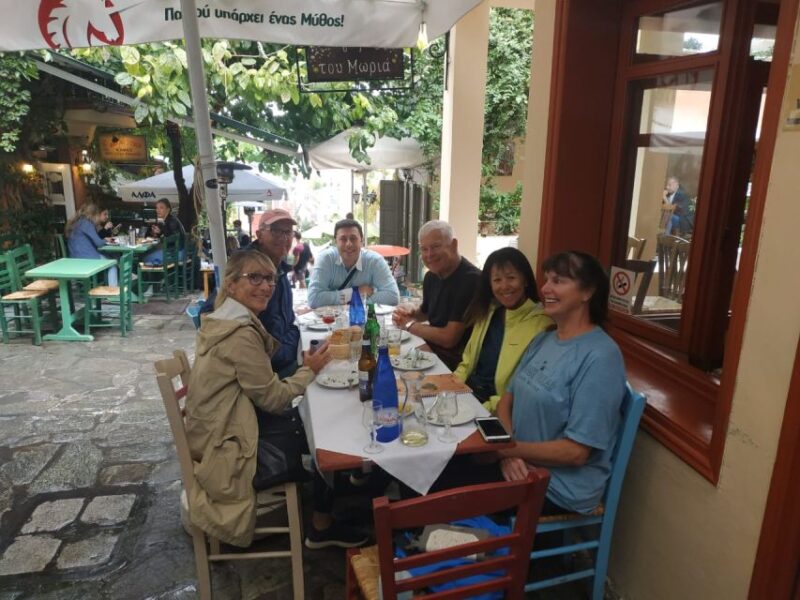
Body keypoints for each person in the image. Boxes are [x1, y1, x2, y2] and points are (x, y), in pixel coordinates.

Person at [185, 250, 366, 549]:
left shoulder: (223, 319)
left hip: (222, 428)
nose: (266, 285)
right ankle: (322, 524)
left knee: (314, 418)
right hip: (229, 450)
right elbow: (273, 399)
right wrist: (309, 370)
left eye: (270, 278)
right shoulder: (239, 333)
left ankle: (340, 487)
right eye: (254, 277)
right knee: (323, 432)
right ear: (230, 285)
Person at [431, 251, 626, 517]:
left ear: (588, 291)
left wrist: (506, 451)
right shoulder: (545, 339)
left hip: (555, 485)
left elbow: (576, 452)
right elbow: (507, 401)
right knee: (434, 466)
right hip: (516, 459)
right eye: (547, 280)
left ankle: (440, 551)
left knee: (438, 489)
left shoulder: (601, 357)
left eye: (558, 281)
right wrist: (508, 450)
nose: (545, 288)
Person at [198, 208, 302, 379]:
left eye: (288, 232)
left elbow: (288, 321)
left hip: (279, 359)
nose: (283, 237)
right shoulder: (245, 266)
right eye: (276, 231)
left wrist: (293, 339)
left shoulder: (279, 270)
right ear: (259, 235)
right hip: (255, 373)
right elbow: (210, 312)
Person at [453, 247, 552, 414]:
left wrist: (482, 409)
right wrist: (451, 386)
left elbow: (527, 389)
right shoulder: (488, 312)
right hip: (467, 394)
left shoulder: (543, 325)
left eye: (511, 278)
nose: (504, 286)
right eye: (497, 280)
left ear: (525, 280)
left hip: (496, 409)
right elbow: (467, 362)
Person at [392, 220, 481, 370]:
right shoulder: (431, 276)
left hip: (458, 365)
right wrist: (409, 311)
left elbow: (449, 338)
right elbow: (426, 313)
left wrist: (408, 324)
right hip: (433, 353)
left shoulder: (471, 280)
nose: (429, 255)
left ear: (453, 245)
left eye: (435, 247)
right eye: (424, 249)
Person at [308, 218, 399, 308]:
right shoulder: (325, 259)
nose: (349, 244)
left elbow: (392, 296)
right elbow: (314, 298)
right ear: (336, 242)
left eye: (353, 238)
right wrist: (355, 293)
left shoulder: (375, 261)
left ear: (361, 241)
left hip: (362, 320)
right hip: (331, 320)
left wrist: (357, 301)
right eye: (343, 239)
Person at [65, 203, 118, 286]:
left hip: (74, 259)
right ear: (94, 215)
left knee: (110, 256)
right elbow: (99, 243)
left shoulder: (76, 222)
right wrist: (105, 240)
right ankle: (113, 293)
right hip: (88, 259)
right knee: (113, 264)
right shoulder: (86, 223)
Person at [144, 198, 186, 264]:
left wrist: (160, 232)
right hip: (177, 251)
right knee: (149, 252)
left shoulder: (172, 221)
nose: (158, 210)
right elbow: (167, 235)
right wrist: (157, 233)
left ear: (168, 209)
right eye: (157, 208)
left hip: (177, 253)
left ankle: (155, 274)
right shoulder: (167, 220)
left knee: (146, 258)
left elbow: (172, 237)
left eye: (161, 208)